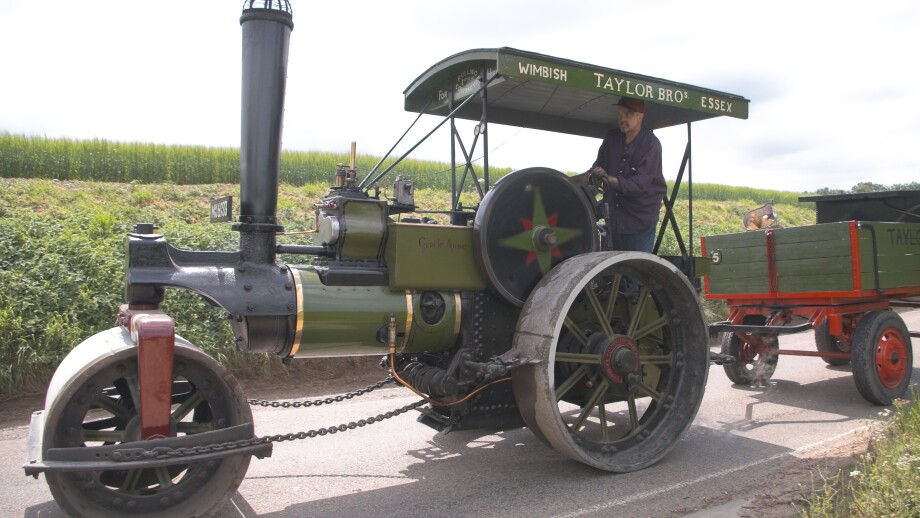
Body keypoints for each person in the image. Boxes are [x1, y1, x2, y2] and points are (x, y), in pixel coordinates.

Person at [573, 97, 666, 252]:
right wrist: (567, 181)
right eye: (619, 114)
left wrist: (608, 179)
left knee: (634, 270)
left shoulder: (651, 144)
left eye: (628, 114)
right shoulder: (612, 138)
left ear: (640, 116)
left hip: (640, 218)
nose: (622, 118)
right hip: (615, 215)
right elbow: (596, 170)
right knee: (615, 267)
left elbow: (639, 185)